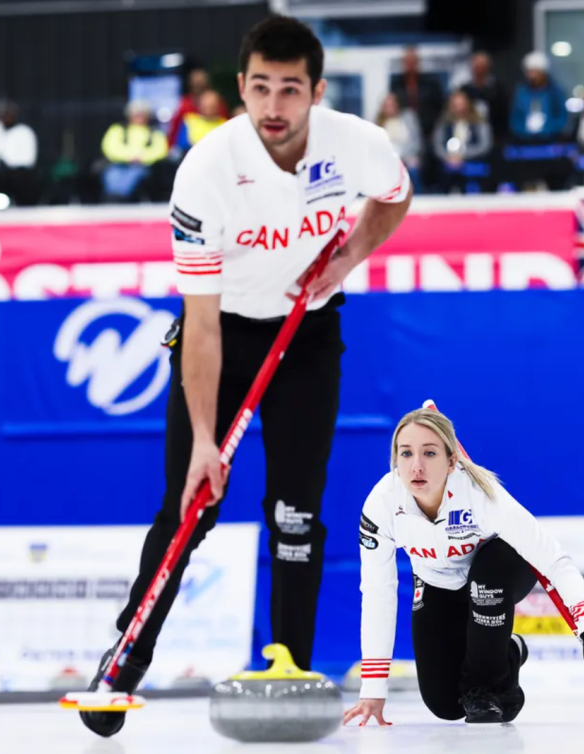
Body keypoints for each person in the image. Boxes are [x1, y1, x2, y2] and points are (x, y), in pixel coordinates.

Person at [80, 13, 413, 738]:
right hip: (224, 334)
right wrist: (206, 437)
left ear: (315, 92)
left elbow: (395, 194)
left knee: (296, 514)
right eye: (259, 88)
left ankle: (287, 663)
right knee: (188, 506)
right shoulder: (205, 169)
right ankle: (124, 659)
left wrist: (350, 255)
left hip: (307, 335)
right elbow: (199, 323)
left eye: (289, 90)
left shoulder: (358, 143)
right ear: (241, 87)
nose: (273, 106)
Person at [342, 408, 584, 726]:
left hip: (501, 570)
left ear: (451, 461)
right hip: (437, 583)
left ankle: (484, 685)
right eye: (406, 453)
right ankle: (509, 651)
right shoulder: (382, 505)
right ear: (395, 460)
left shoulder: (480, 495)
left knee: (487, 578)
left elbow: (554, 560)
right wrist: (372, 690)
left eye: (429, 453)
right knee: (446, 705)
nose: (416, 466)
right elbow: (378, 592)